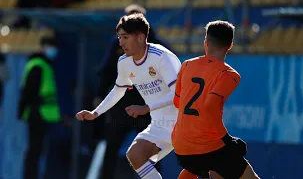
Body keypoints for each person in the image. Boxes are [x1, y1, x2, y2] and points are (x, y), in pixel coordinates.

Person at [76, 13, 181, 179]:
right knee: (135, 154)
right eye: (119, 37)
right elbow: (118, 90)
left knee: (204, 167)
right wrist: (95, 112)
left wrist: (146, 108)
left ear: (140, 37)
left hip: (182, 121)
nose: (120, 42)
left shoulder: (162, 57)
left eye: (125, 37)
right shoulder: (124, 62)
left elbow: (179, 94)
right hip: (159, 123)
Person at [172, 20, 260, 179]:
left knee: (203, 167)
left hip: (181, 147)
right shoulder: (229, 75)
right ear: (230, 45)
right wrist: (228, 140)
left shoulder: (186, 65)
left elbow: (177, 103)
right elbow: (210, 106)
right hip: (207, 147)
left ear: (206, 42)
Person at [18, 36, 61, 179]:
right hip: (37, 113)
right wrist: (22, 109)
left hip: (42, 113)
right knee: (34, 150)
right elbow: (28, 91)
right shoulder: (38, 65)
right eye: (50, 46)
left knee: (37, 150)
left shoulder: (45, 64)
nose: (53, 50)